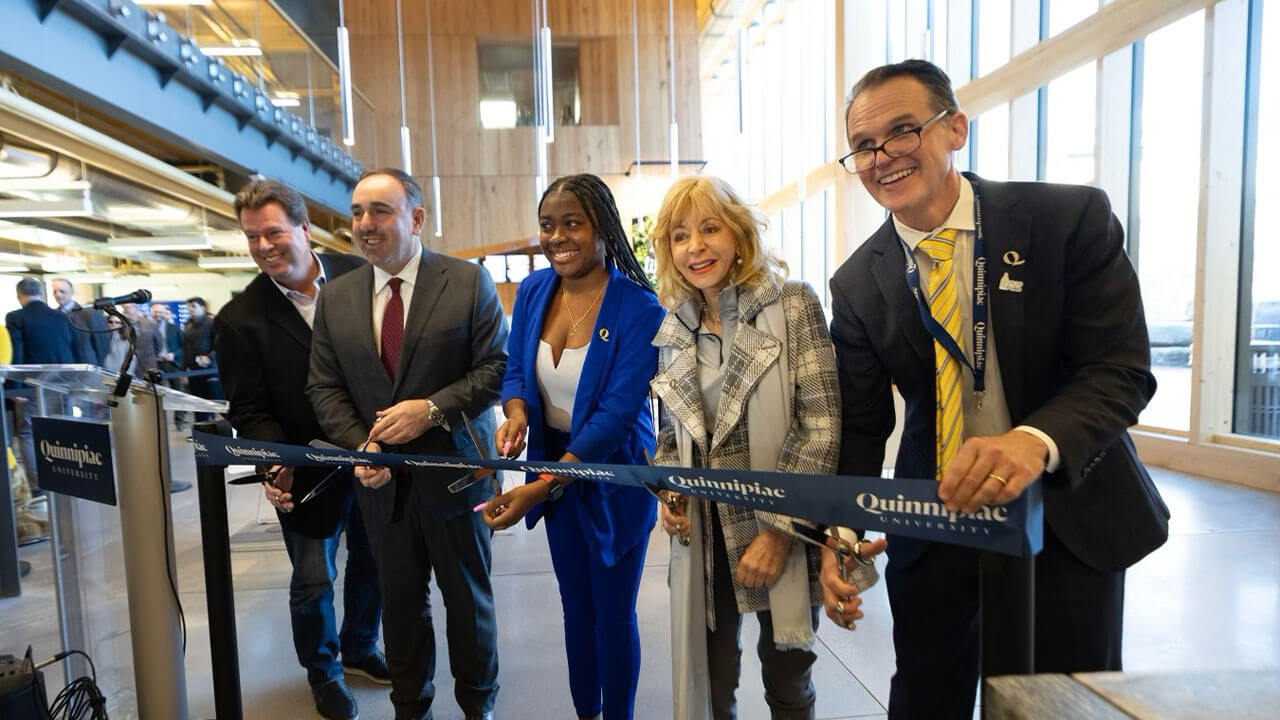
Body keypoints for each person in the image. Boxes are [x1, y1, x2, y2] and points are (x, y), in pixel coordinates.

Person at [828, 59, 1170, 720]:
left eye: (902, 131)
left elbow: (1120, 368)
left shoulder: (1066, 219)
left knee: (1060, 706)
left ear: (954, 128)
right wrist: (842, 533)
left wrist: (1033, 440)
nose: (882, 157)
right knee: (926, 698)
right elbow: (864, 425)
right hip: (935, 521)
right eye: (864, 145)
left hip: (1066, 513)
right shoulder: (858, 282)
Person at [649, 176, 881, 720]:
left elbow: (821, 426)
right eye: (680, 236)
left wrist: (778, 532)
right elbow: (670, 434)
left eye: (710, 229)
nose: (695, 247)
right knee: (712, 682)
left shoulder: (792, 303)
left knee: (787, 682)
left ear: (739, 233)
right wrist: (670, 493)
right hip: (706, 533)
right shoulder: (675, 325)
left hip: (783, 528)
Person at [307, 168, 507, 720]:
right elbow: (324, 387)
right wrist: (362, 446)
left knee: (468, 603)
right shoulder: (337, 298)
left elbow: (495, 369)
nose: (365, 224)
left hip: (458, 478)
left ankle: (478, 705)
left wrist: (431, 410)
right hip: (381, 488)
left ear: (416, 219)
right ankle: (411, 706)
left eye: (380, 211)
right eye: (357, 212)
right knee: (399, 606)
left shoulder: (466, 282)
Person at [479, 174, 663, 720]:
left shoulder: (640, 308)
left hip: (614, 475)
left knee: (613, 615)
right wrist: (516, 414)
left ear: (602, 228)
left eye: (572, 223)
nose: (557, 237)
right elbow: (516, 371)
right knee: (576, 611)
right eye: (547, 225)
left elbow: (615, 416)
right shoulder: (535, 290)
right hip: (554, 468)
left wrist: (539, 488)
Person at [214, 179, 387, 720]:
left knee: (375, 562)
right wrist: (276, 463)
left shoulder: (361, 275)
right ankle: (324, 672)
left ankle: (360, 646)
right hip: (305, 468)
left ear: (304, 229)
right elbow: (249, 409)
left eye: (273, 232)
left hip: (375, 454)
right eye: (252, 237)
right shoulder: (239, 320)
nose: (263, 246)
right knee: (313, 578)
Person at [6, 276, 77, 492]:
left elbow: (17, 353)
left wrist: (15, 388)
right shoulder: (62, 316)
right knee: (62, 428)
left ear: (19, 295)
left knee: (28, 432)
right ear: (41, 293)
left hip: (33, 385)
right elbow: (72, 348)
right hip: (64, 382)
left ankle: (40, 486)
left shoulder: (16, 317)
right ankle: (66, 478)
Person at [51, 278, 109, 365]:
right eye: (55, 292)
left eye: (62, 291)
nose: (58, 295)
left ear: (71, 292)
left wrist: (97, 366)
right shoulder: (53, 316)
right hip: (63, 368)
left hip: (86, 367)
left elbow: (102, 343)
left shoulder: (89, 314)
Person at [182, 296, 220, 420]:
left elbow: (221, 344)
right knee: (198, 404)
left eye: (193, 306)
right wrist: (183, 370)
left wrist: (209, 357)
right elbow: (185, 348)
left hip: (210, 370)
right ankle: (201, 429)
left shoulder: (212, 322)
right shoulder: (188, 325)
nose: (190, 309)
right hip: (193, 371)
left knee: (214, 402)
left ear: (203, 307)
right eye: (188, 307)